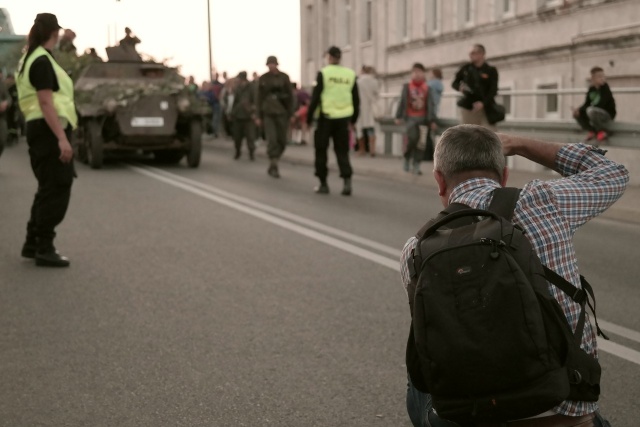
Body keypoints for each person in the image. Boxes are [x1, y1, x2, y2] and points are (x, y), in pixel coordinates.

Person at [400, 124, 628, 426]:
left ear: (439, 181)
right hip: (563, 411)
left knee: (418, 380)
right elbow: (612, 173)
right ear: (504, 175)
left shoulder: (416, 250)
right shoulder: (544, 202)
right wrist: (520, 144)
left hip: (471, 416)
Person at [16, 13, 79, 267]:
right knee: (57, 188)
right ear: (55, 33)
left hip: (40, 130)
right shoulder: (42, 60)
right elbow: (45, 102)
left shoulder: (30, 58)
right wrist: (62, 139)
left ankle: (32, 244)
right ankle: (45, 246)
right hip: (48, 131)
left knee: (47, 188)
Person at [306, 46, 360, 196]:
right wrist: (354, 119)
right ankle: (347, 182)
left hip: (326, 118)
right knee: (342, 151)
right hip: (343, 119)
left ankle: (323, 183)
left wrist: (309, 119)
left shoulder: (324, 73)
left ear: (329, 57)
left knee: (321, 150)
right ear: (340, 57)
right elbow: (356, 99)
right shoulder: (350, 74)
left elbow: (315, 98)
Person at [255, 55, 295, 178]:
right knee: (272, 140)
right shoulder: (263, 78)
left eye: (273, 64)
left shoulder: (284, 77)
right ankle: (274, 164)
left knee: (282, 141)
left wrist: (291, 113)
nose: (271, 66)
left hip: (282, 112)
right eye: (269, 64)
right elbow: (259, 98)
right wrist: (258, 116)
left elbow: (290, 97)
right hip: (268, 112)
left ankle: (274, 160)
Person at [395, 63, 437, 176]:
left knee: (421, 143)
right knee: (412, 139)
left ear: (423, 74)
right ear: (411, 74)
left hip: (423, 119)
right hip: (410, 118)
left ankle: (417, 164)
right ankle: (407, 157)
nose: (417, 74)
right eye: (414, 72)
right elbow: (402, 102)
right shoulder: (407, 87)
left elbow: (431, 105)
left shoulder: (427, 88)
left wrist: (432, 120)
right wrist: (398, 116)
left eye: (419, 72)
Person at [452, 44, 499, 130]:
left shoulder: (491, 70)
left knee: (490, 133)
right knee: (468, 133)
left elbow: (493, 90)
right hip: (469, 106)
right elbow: (454, 83)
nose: (471, 55)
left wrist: (483, 103)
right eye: (470, 53)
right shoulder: (466, 68)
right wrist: (460, 88)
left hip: (486, 107)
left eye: (474, 53)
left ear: (482, 54)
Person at [572, 66, 616, 143]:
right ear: (593, 78)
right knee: (577, 114)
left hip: (606, 114)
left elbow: (602, 104)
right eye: (599, 76)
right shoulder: (591, 89)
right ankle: (592, 131)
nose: (602, 78)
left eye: (603, 76)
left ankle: (603, 131)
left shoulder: (605, 88)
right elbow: (586, 104)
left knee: (590, 110)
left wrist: (587, 109)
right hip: (594, 112)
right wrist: (579, 110)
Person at [230, 71, 256, 160]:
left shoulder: (252, 88)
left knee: (250, 137)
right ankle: (237, 151)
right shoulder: (238, 88)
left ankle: (251, 153)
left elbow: (255, 101)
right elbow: (235, 101)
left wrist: (253, 111)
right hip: (238, 115)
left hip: (248, 116)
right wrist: (232, 113)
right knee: (237, 137)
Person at [356, 66, 379, 157]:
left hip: (360, 107)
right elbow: (377, 94)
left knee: (359, 129)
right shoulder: (374, 81)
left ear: (362, 71)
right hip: (370, 107)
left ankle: (362, 150)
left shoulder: (358, 82)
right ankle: (372, 150)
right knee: (371, 128)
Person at [424, 67, 443, 161]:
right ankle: (429, 155)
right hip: (434, 110)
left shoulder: (433, 84)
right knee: (428, 133)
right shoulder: (439, 84)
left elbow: (424, 88)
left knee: (426, 133)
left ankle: (427, 155)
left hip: (429, 110)